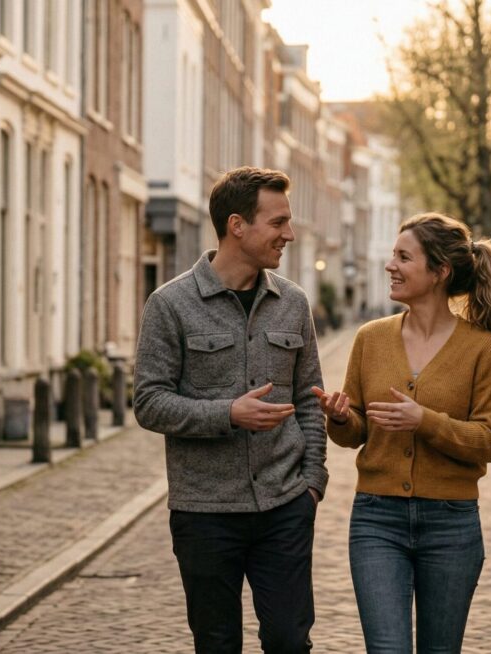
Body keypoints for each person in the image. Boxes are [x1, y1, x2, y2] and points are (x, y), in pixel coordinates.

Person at [134, 166, 328, 654]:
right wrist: (227, 414)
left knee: (289, 640)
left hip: (285, 506)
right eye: (278, 222)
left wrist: (312, 484)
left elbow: (309, 396)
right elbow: (149, 402)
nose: (290, 234)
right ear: (237, 225)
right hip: (205, 512)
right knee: (216, 644)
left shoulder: (294, 303)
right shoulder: (169, 305)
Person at [312, 213, 491, 653]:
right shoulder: (371, 338)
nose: (391, 265)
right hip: (377, 518)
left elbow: (489, 440)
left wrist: (423, 421)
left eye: (404, 257)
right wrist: (342, 418)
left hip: (451, 524)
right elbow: (358, 432)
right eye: (392, 255)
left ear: (440, 271)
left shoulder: (481, 348)